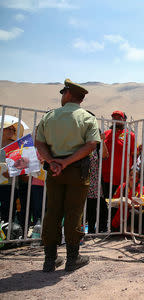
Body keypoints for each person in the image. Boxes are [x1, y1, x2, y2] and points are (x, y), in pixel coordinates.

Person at [35, 79, 101, 272]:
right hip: (77, 171)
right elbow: (91, 145)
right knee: (74, 211)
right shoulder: (88, 118)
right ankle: (73, 258)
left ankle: (50, 260)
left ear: (69, 95)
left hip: (54, 170)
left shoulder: (50, 116)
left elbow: (40, 143)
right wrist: (66, 162)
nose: (62, 96)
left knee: (53, 211)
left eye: (63, 92)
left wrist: (52, 161)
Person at [101, 110, 136, 205]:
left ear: (124, 120)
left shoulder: (130, 135)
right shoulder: (106, 133)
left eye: (119, 118)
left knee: (120, 203)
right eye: (114, 118)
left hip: (123, 177)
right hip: (106, 176)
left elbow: (134, 155)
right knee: (106, 202)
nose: (115, 120)